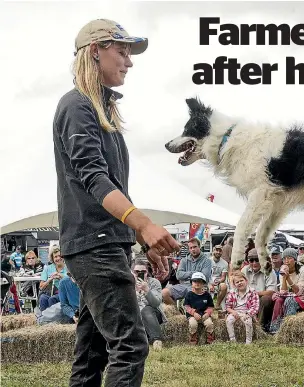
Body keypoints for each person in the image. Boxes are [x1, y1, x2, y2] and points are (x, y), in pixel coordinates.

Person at [53, 19, 179, 387]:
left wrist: (139, 237)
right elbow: (94, 178)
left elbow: (110, 184)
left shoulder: (98, 110)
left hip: (103, 242)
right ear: (95, 50)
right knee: (130, 346)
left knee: (92, 354)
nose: (129, 61)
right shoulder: (77, 106)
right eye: (121, 51)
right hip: (95, 245)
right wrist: (142, 224)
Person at [269, 248, 304, 334]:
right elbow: (283, 291)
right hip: (290, 295)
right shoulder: (283, 270)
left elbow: (299, 292)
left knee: (290, 300)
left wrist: (288, 278)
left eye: (289, 258)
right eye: (285, 258)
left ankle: (288, 328)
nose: (287, 261)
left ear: (295, 260)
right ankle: (275, 329)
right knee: (279, 300)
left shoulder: (303, 270)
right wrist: (284, 278)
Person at [225, 271, 260, 344]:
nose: (240, 283)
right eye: (237, 282)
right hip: (236, 312)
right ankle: (232, 339)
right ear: (234, 285)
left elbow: (255, 306)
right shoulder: (232, 292)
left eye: (241, 280)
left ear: (246, 281)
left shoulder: (252, 292)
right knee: (229, 320)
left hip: (247, 312)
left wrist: (247, 314)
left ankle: (248, 341)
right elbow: (228, 306)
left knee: (248, 321)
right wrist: (232, 312)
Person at [183, 272, 215, 345]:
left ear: (203, 283)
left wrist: (207, 313)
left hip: (204, 315)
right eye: (195, 281)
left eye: (200, 281)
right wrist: (194, 313)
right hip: (192, 315)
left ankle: (210, 341)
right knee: (193, 324)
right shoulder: (189, 294)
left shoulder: (207, 295)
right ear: (192, 283)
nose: (197, 283)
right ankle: (193, 342)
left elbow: (211, 306)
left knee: (209, 324)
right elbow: (186, 306)